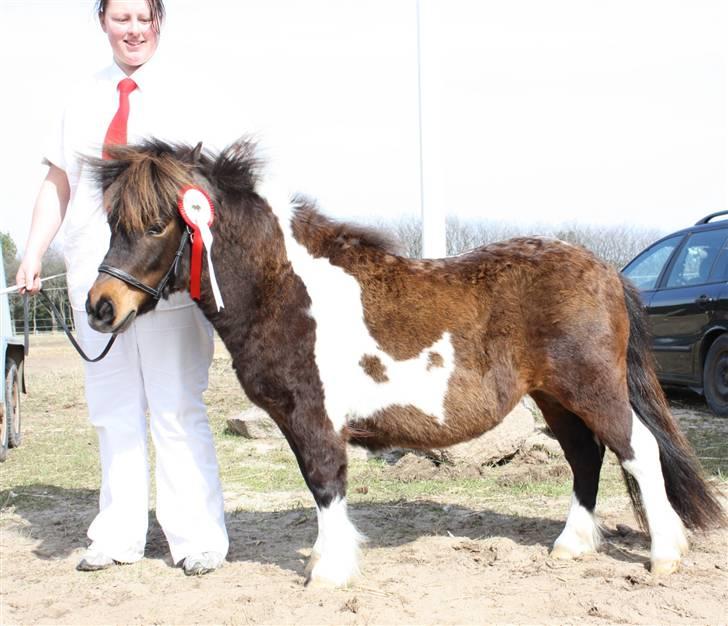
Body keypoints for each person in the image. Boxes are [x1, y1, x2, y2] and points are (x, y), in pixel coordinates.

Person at [16, 0, 229, 576]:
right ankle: (117, 533)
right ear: (102, 21)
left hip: (166, 283)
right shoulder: (81, 96)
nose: (133, 29)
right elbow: (59, 179)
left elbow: (212, 188)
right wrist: (34, 250)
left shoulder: (190, 92)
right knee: (112, 410)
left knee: (176, 407)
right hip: (98, 280)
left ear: (159, 20)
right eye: (121, 18)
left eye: (144, 17)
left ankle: (197, 537)